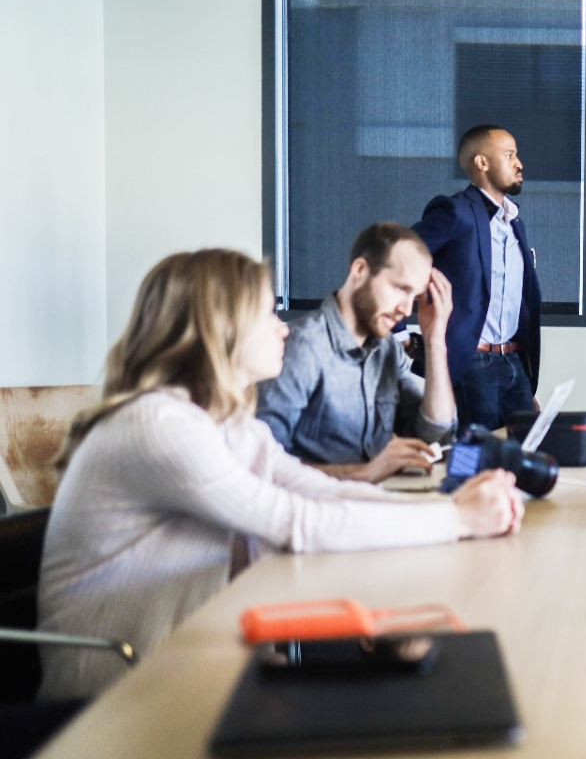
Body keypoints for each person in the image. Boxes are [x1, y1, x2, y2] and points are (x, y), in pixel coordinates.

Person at [37, 249, 523, 701]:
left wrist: (450, 511)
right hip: (116, 697)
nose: (283, 329)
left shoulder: (226, 425)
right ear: (221, 326)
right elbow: (297, 523)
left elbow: (322, 492)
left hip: (186, 663)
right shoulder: (158, 424)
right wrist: (456, 520)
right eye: (268, 314)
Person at [257, 222, 454, 482]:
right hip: (316, 504)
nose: (407, 310)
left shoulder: (388, 349)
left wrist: (435, 341)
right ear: (360, 270)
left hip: (372, 498)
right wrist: (363, 473)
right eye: (400, 289)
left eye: (415, 298)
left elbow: (434, 435)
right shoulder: (302, 347)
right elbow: (261, 464)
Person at [412, 125, 542, 434]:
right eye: (509, 155)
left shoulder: (514, 223)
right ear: (482, 162)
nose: (519, 163)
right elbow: (393, 257)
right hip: (473, 363)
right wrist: (400, 335)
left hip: (514, 363)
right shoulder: (455, 212)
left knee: (524, 451)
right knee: (473, 454)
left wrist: (522, 372)